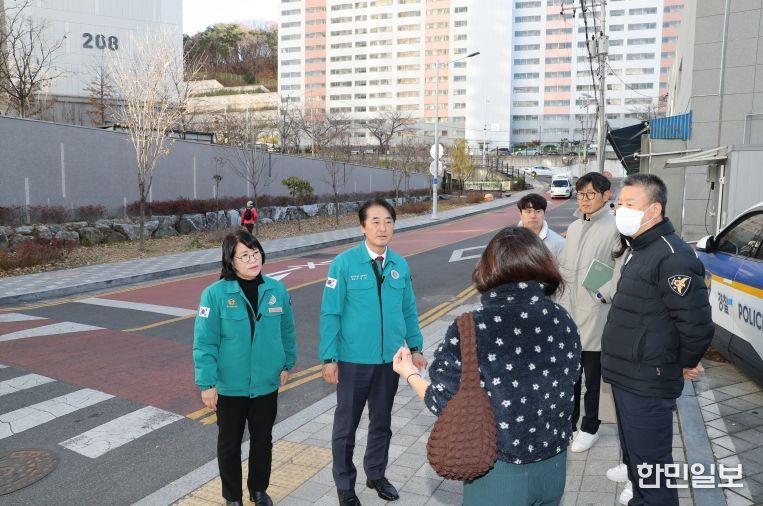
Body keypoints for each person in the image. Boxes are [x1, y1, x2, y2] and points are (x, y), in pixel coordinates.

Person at [393, 227, 581, 506]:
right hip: (554, 466)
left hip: (498, 473)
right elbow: (572, 380)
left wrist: (410, 374)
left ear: (489, 268)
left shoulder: (471, 328)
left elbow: (443, 401)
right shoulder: (562, 319)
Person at [601, 174, 713, 506]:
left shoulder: (672, 255)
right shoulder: (640, 248)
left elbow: (696, 324)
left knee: (652, 470)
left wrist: (683, 363)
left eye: (630, 204)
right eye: (619, 204)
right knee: (638, 465)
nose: (621, 210)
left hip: (649, 380)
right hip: (627, 376)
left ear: (654, 210)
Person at [319, 198, 425, 506]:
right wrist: (329, 358)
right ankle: (345, 486)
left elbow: (408, 310)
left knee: (382, 422)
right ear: (362, 227)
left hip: (389, 361)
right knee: (346, 427)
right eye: (375, 221)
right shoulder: (344, 264)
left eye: (388, 221)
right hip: (353, 361)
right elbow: (330, 313)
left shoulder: (399, 264)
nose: (382, 228)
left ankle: (376, 474)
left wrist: (415, 347)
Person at [193, 230, 296, 506]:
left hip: (266, 383)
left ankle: (258, 490)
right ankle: (233, 497)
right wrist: (207, 383)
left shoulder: (276, 290)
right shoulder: (214, 295)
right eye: (245, 255)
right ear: (230, 260)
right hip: (230, 387)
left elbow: (287, 330)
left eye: (256, 253)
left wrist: (287, 363)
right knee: (229, 445)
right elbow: (204, 343)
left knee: (263, 440)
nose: (253, 260)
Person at [557, 171, 622, 453]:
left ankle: (590, 427)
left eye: (590, 194)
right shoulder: (573, 227)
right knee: (570, 376)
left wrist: (602, 293)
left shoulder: (617, 227)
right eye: (580, 194)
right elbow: (564, 266)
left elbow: (621, 268)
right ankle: (570, 425)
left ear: (607, 195)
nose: (584, 200)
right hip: (569, 314)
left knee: (593, 378)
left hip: (596, 314)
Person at [516, 193, 565, 260]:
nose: (533, 216)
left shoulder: (559, 243)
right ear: (520, 214)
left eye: (538, 211)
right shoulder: (510, 240)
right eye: (528, 211)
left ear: (544, 214)